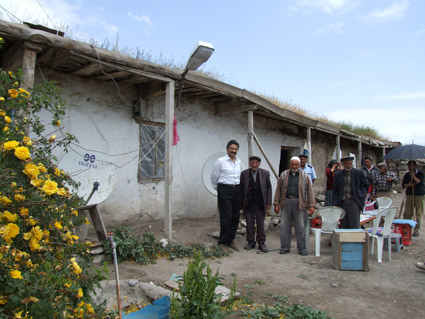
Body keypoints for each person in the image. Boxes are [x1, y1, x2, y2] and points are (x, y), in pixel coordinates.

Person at [273, 156, 315, 256]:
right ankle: (285, 247)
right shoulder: (283, 174)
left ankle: (302, 249)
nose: (294, 166)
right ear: (290, 164)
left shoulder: (305, 176)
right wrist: (276, 203)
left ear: (299, 165)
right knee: (284, 226)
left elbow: (310, 191)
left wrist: (311, 205)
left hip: (300, 203)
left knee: (300, 226)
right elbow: (278, 189)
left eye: (296, 164)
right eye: (292, 164)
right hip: (286, 202)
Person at [211, 140, 244, 251]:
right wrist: (220, 190)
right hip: (224, 189)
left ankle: (231, 240)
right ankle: (223, 242)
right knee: (226, 216)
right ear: (227, 149)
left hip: (237, 190)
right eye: (232, 148)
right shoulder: (220, 161)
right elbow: (214, 177)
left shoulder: (239, 162)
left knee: (235, 217)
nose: (233, 151)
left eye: (235, 149)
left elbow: (241, 176)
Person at [240, 156, 272, 253]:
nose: (254, 165)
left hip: (260, 203)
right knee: (249, 223)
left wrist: (269, 202)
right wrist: (241, 203)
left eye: (256, 163)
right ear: (250, 163)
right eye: (252, 163)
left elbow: (269, 188)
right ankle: (251, 242)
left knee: (260, 224)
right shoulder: (244, 174)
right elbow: (241, 188)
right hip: (248, 202)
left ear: (259, 164)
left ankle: (261, 243)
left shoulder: (265, 173)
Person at [333, 155, 369, 229]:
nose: (349, 166)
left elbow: (366, 185)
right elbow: (335, 190)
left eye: (350, 163)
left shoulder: (358, 173)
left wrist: (360, 194)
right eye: (347, 164)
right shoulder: (338, 175)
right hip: (342, 203)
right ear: (343, 164)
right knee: (343, 225)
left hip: (354, 202)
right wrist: (335, 203)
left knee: (354, 225)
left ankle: (354, 240)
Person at [402, 160, 425, 237]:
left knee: (419, 213)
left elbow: (419, 182)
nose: (409, 168)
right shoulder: (407, 175)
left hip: (419, 195)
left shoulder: (421, 173)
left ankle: (417, 230)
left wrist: (413, 176)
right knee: (408, 213)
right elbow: (403, 185)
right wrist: (409, 185)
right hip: (410, 195)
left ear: (415, 166)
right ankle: (406, 229)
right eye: (408, 166)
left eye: (411, 166)